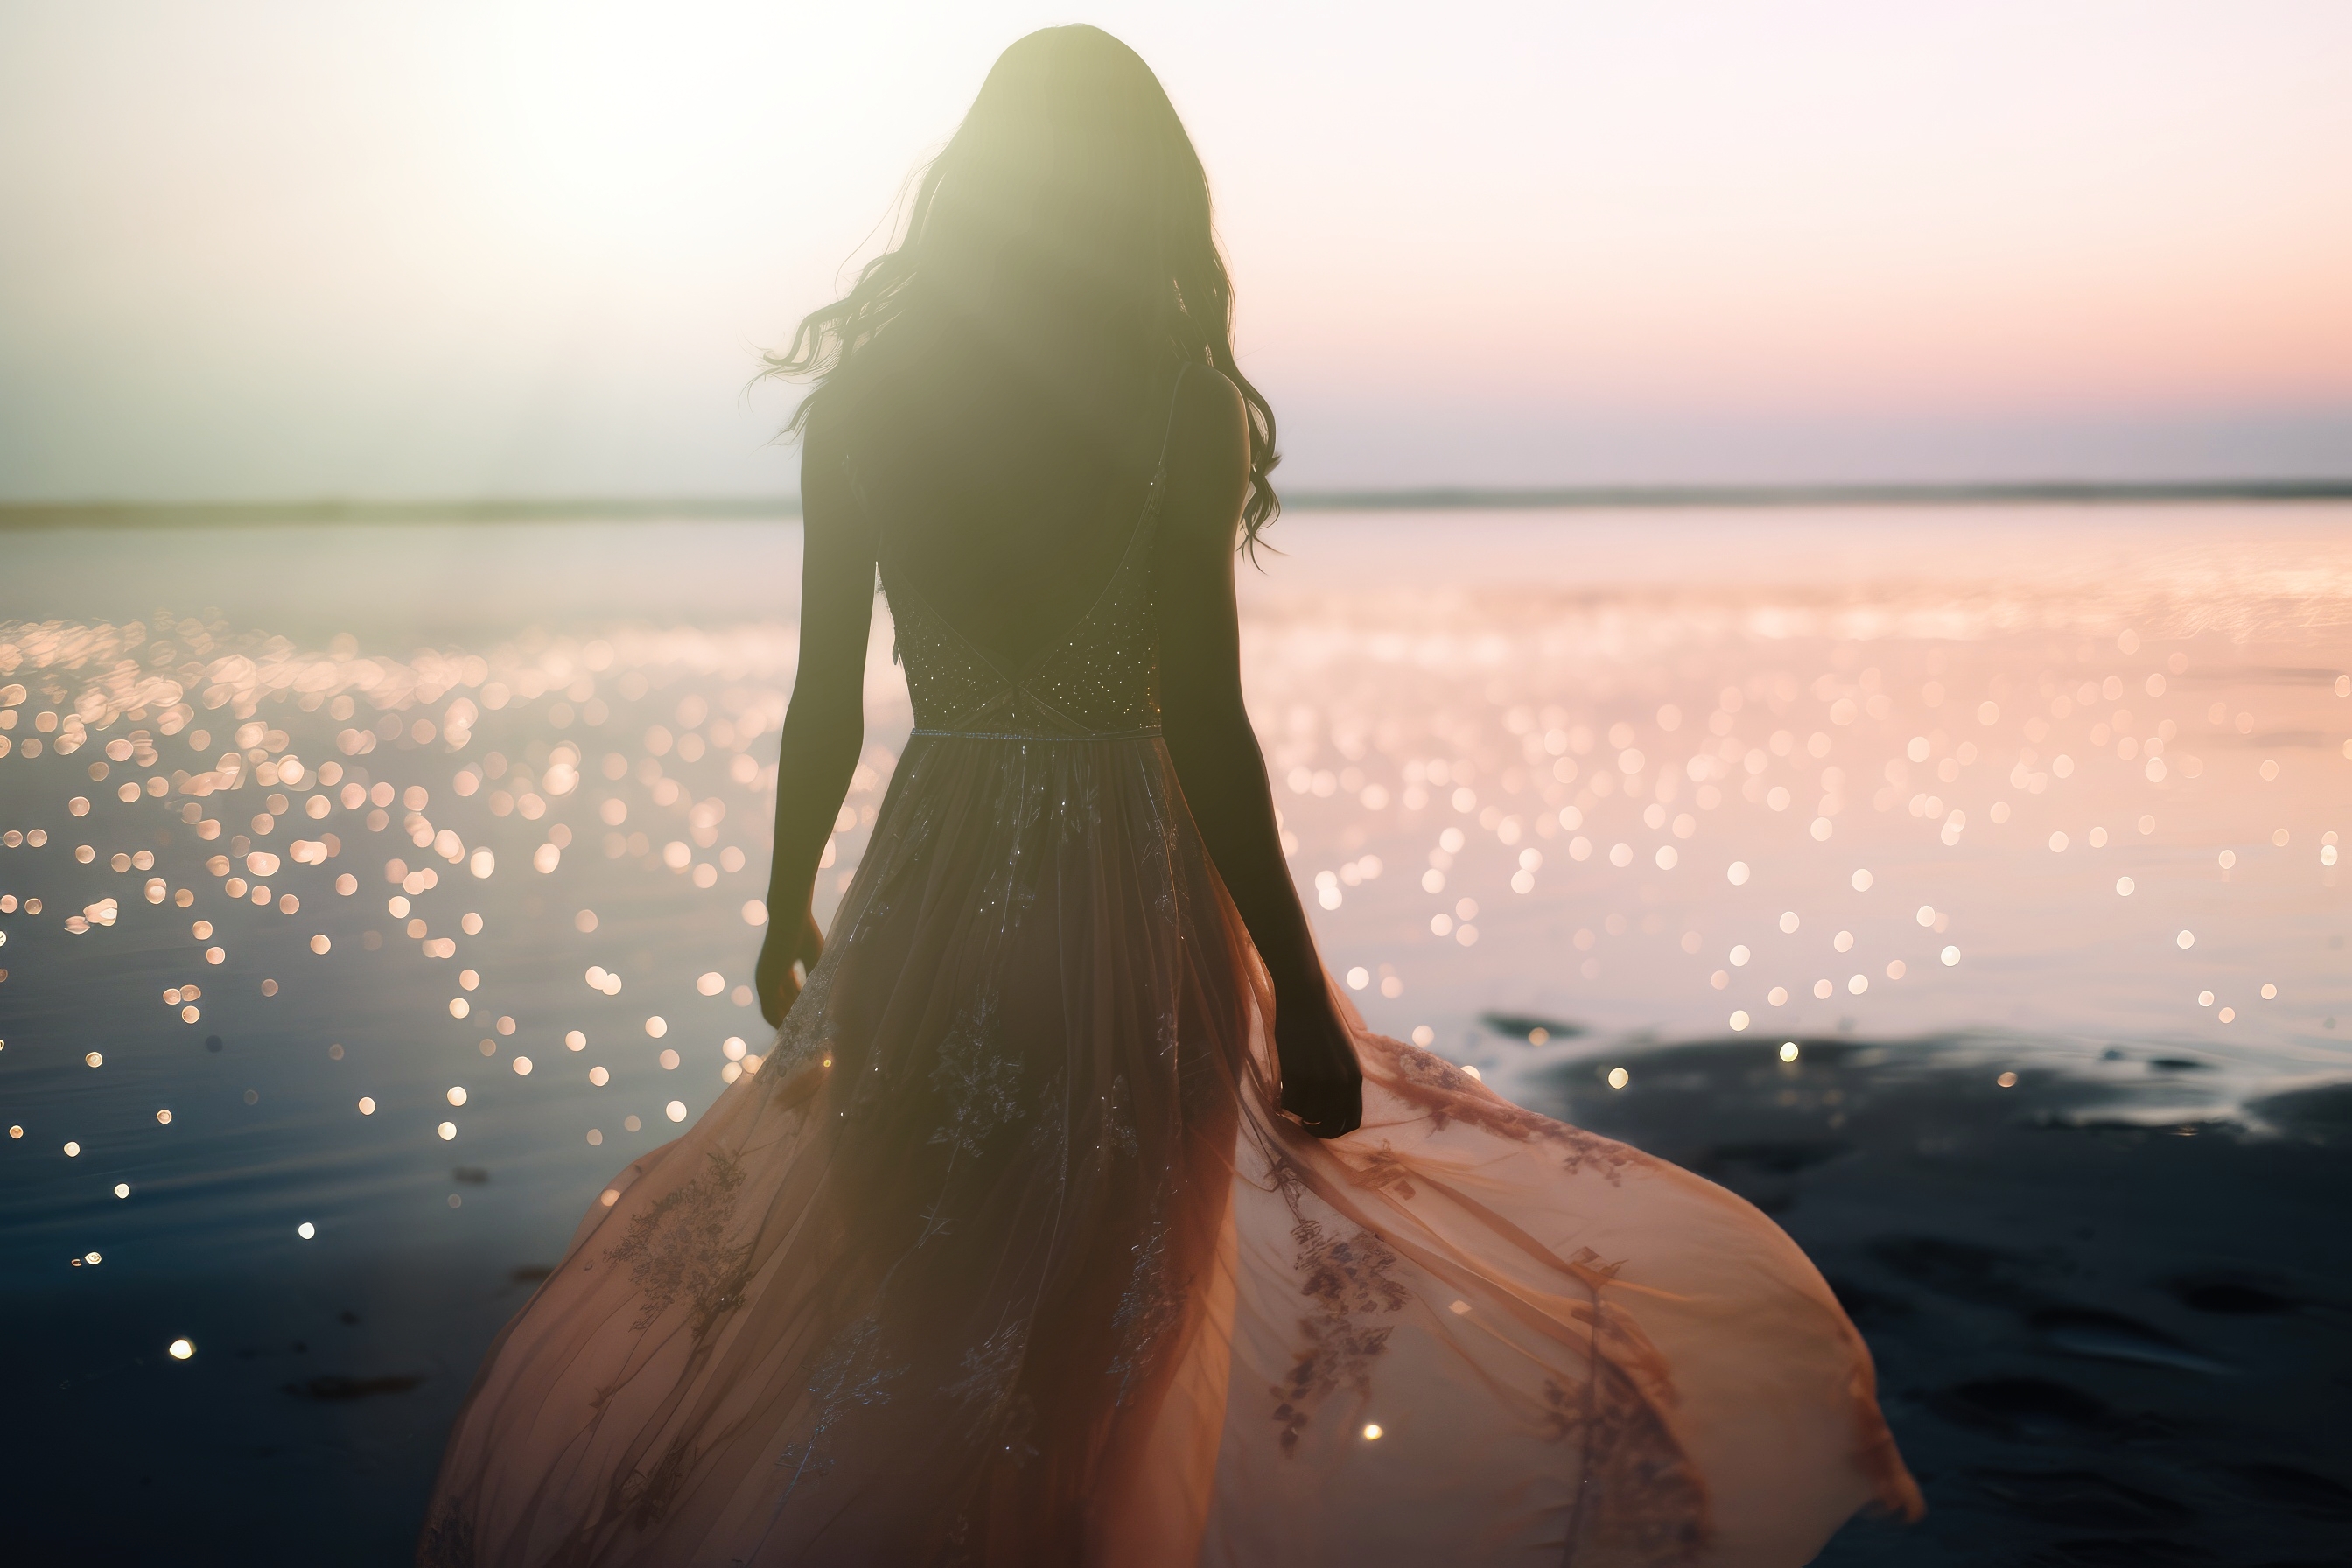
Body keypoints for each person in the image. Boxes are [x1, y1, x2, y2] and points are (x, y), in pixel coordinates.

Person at [419, 25, 1920, 1566]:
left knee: (913, 1333)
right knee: (1101, 1369)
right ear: (1143, 193)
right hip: (1133, 907)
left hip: (927, 904)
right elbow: (1206, 722)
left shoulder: (871, 403)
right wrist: (1304, 990)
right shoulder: (1174, 404)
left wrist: (785, 903)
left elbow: (824, 699)